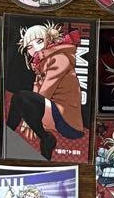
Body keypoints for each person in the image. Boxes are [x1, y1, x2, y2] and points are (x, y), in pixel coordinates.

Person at [6, 24, 84, 159]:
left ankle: (10, 134)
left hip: (67, 121)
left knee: (20, 97)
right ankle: (10, 135)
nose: (35, 48)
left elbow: (46, 91)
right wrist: (27, 117)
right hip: (53, 113)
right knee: (21, 99)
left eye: (39, 41)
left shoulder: (59, 59)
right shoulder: (41, 63)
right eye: (29, 47)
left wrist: (28, 114)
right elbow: (36, 92)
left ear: (49, 39)